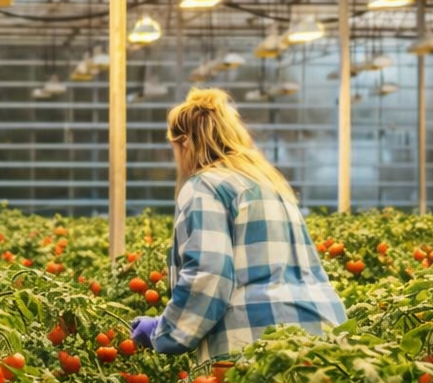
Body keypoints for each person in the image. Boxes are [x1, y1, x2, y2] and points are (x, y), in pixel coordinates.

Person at [129, 88, 345, 361]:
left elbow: (209, 273)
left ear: (184, 143)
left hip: (256, 341)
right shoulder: (267, 182)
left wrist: (165, 331)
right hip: (324, 332)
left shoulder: (204, 185)